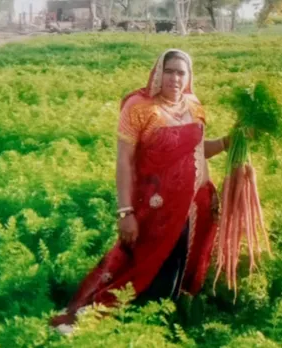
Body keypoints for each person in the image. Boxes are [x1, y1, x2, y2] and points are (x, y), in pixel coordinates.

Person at [50, 49, 230, 334]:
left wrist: (228, 141)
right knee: (144, 267)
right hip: (155, 207)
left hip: (193, 206)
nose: (175, 78)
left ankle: (161, 325)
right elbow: (124, 160)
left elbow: (197, 151)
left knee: (177, 266)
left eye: (181, 72)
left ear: (189, 76)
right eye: (169, 70)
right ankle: (116, 323)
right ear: (158, 72)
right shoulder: (139, 107)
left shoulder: (194, 105)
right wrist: (125, 212)